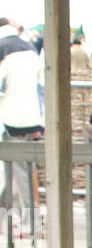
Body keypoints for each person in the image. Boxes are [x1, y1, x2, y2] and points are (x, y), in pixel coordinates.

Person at [0, 16, 43, 229]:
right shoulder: (29, 47)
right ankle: (11, 216)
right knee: (24, 170)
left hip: (9, 117)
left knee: (15, 173)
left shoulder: (2, 49)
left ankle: (28, 220)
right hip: (33, 116)